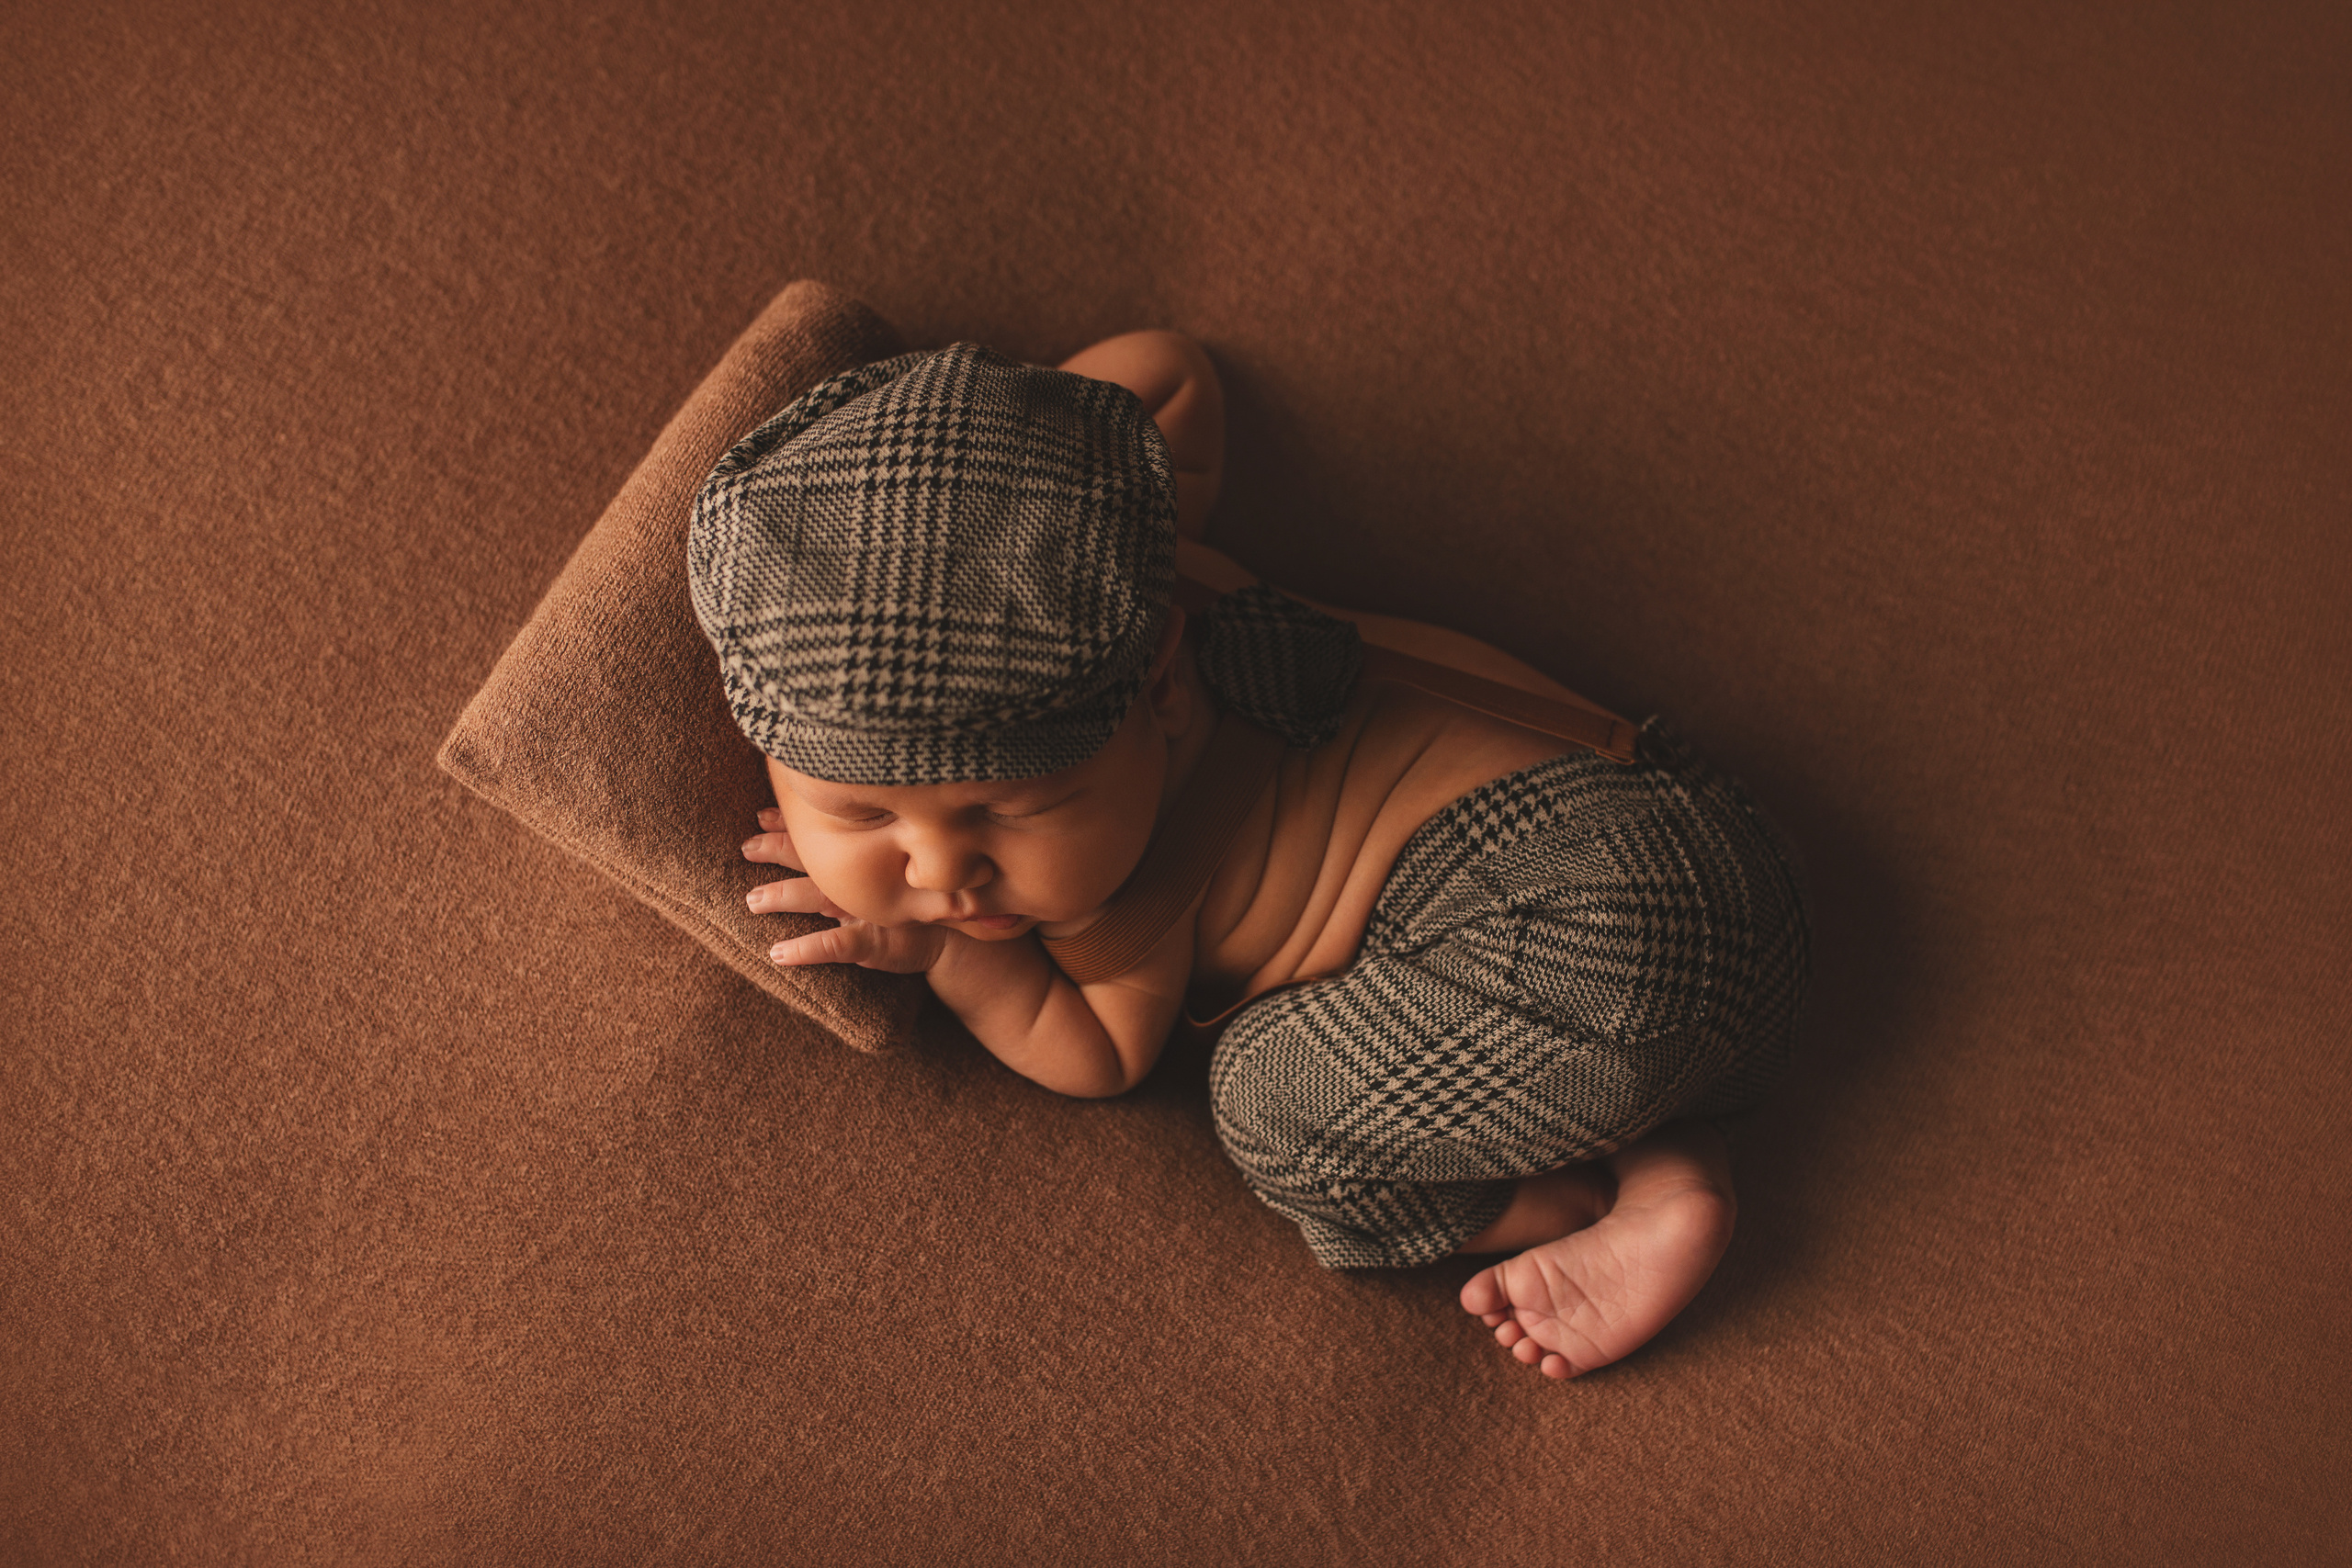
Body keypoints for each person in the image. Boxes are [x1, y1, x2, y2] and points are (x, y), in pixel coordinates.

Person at [687, 333, 1809, 1380]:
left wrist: (952, 964)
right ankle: (1663, 1132)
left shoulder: (1120, 890)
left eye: (1009, 810)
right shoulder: (1149, 555)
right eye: (863, 817)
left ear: (1166, 689)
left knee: (1270, 1102)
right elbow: (1167, 371)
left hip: (1571, 913)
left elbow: (1097, 1056)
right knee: (1529, 1041)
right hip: (1710, 844)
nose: (943, 876)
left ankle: (1620, 1189)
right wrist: (1004, 481)